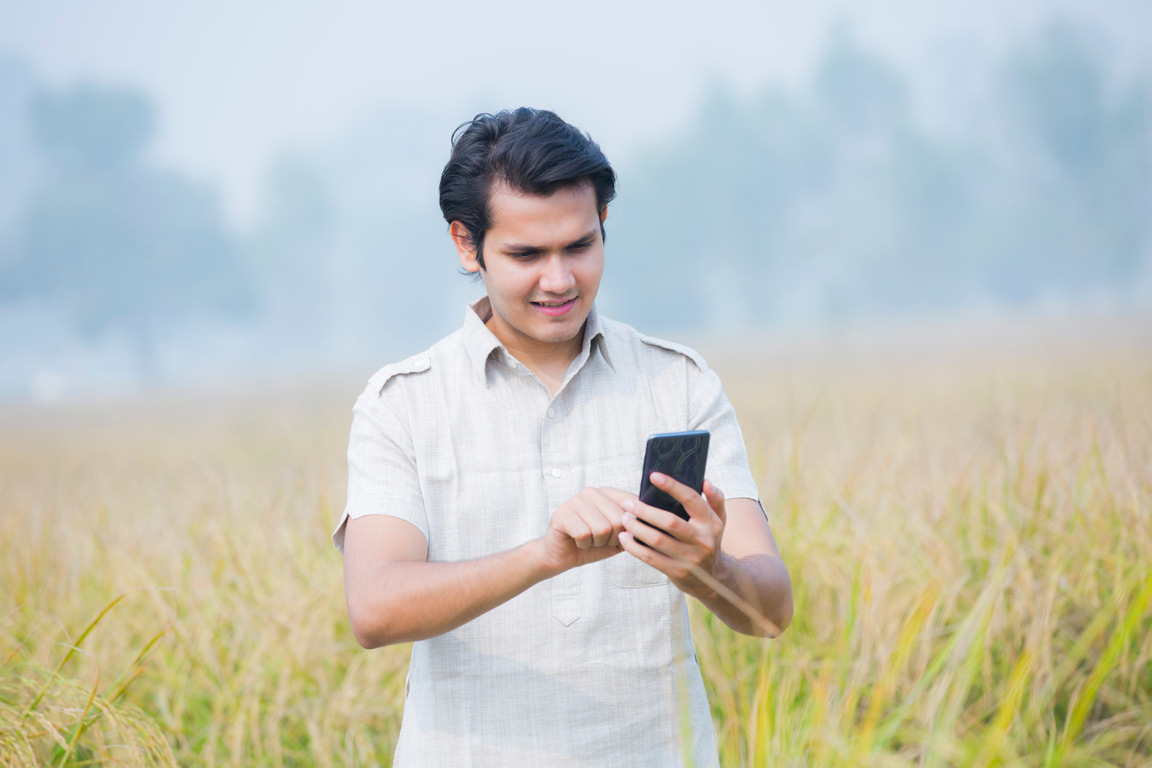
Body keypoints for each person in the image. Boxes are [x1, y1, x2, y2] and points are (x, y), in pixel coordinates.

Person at [333, 107, 793, 767]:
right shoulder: (403, 403)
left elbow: (770, 612)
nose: (559, 280)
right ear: (467, 245)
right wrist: (545, 555)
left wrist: (708, 568)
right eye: (526, 254)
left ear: (603, 224)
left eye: (579, 246)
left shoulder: (678, 384)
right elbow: (374, 609)